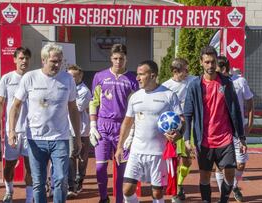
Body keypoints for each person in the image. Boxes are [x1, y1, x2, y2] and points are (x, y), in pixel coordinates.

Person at [8, 43, 82, 203]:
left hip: (60, 138)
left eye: (60, 61)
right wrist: (11, 131)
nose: (57, 65)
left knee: (61, 179)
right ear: (44, 60)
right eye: (54, 61)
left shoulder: (67, 79)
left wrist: (77, 136)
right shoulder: (30, 78)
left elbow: (73, 108)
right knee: (38, 183)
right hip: (35, 139)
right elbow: (15, 106)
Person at [183, 46, 246, 203]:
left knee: (230, 171)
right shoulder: (195, 85)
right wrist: (186, 139)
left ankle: (224, 199)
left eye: (213, 62)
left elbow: (236, 110)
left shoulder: (226, 83)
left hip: (225, 138)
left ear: (217, 61)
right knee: (204, 176)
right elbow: (188, 113)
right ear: (201, 63)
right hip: (204, 140)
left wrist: (242, 137)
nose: (210, 66)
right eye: (207, 62)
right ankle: (206, 200)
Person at [115, 60, 184, 203]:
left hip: (158, 153)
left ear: (153, 75)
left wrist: (178, 134)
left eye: (141, 74)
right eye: (137, 74)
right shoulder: (135, 97)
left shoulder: (169, 95)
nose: (137, 78)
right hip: (136, 151)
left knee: (157, 193)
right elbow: (127, 123)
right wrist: (120, 146)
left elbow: (181, 120)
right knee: (127, 190)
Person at [89, 44, 139, 203]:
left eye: (121, 58)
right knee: (100, 167)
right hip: (103, 126)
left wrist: (132, 132)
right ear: (111, 58)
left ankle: (119, 200)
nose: (118, 61)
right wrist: (92, 125)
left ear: (126, 59)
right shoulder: (100, 76)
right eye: (115, 58)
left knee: (121, 169)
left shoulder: (132, 79)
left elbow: (136, 108)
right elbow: (94, 102)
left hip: (122, 127)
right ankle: (104, 198)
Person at [0, 47, 33, 203]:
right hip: (12, 131)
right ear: (15, 59)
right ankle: (9, 191)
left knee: (31, 167)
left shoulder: (34, 78)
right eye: (21, 58)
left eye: (27, 58)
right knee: (9, 166)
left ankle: (29, 198)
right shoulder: (7, 78)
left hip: (30, 131)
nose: (24, 61)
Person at [215, 56, 254, 202]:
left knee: (241, 164)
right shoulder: (213, 82)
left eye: (216, 69)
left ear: (224, 69)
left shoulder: (239, 81)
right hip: (219, 130)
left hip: (237, 129)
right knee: (220, 165)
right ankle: (223, 196)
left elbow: (249, 102)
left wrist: (250, 123)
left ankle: (234, 185)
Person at [162, 58, 197, 202]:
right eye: (185, 70)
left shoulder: (193, 80)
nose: (188, 72)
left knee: (187, 160)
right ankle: (176, 189)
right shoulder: (165, 87)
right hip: (173, 129)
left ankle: (179, 183)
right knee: (172, 160)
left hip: (189, 126)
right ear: (175, 71)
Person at [66, 64, 92, 198]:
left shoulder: (84, 91)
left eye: (73, 76)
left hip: (82, 130)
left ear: (80, 76)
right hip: (68, 130)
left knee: (82, 158)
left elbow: (76, 108)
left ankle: (79, 180)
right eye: (69, 75)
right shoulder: (65, 88)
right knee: (71, 156)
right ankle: (71, 185)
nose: (70, 78)